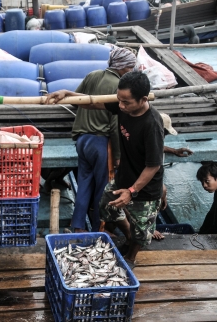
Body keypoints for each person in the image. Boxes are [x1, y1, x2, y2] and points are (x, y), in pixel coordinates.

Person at [46, 71, 164, 269]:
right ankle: (127, 235)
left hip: (145, 187)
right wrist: (67, 93)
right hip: (124, 178)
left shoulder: (152, 124)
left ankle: (131, 257)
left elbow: (154, 165)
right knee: (106, 205)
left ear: (143, 99)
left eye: (126, 102)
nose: (120, 106)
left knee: (142, 231)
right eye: (119, 100)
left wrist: (132, 191)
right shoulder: (123, 107)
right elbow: (93, 103)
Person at [69, 47, 136, 233]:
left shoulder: (93, 75)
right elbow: (115, 125)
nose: (132, 71)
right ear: (123, 67)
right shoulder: (120, 86)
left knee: (84, 184)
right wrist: (118, 155)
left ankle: (78, 226)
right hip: (101, 144)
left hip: (82, 141)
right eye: (130, 67)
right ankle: (101, 228)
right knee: (103, 189)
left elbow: (75, 100)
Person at [196, 162, 217, 234]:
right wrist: (201, 234)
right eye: (202, 182)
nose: (204, 185)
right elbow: (213, 215)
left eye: (207, 181)